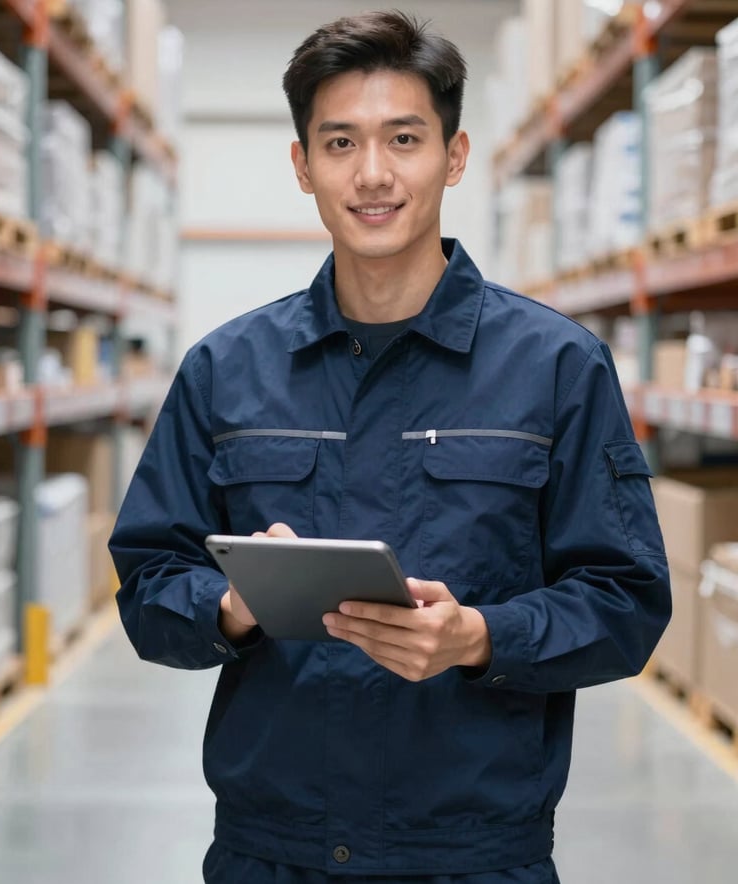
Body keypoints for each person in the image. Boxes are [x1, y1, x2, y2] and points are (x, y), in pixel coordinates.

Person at [109, 10, 671, 883]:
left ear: (453, 156)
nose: (372, 174)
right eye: (339, 143)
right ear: (303, 165)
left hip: (475, 857)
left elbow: (626, 603)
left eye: (403, 138)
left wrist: (482, 636)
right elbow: (146, 586)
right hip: (272, 853)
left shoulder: (557, 367)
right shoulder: (226, 370)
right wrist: (230, 605)